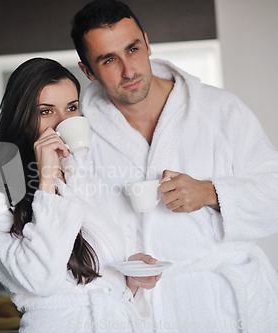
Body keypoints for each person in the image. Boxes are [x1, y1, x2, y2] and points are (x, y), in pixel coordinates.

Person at [70, 1, 278, 332]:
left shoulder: (220, 111)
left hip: (230, 307)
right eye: (109, 60)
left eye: (133, 49)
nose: (129, 70)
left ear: (147, 43)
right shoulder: (82, 136)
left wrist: (212, 192)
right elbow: (78, 235)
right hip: (146, 313)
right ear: (88, 71)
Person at [0, 57, 161, 333]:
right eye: (46, 111)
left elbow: (100, 278)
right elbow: (40, 280)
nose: (63, 122)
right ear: (21, 118)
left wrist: (130, 277)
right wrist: (45, 184)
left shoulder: (81, 179)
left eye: (72, 108)